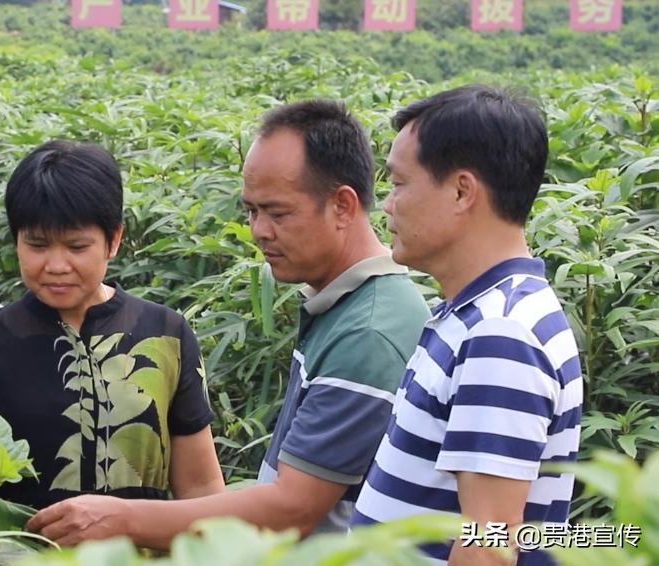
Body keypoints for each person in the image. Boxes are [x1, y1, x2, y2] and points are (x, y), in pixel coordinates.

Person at [26, 100, 431, 547]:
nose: (259, 230)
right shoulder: (344, 306)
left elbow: (291, 509)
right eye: (252, 211)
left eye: (277, 213)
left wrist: (121, 519)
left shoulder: (368, 331)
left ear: (341, 205)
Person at [0, 141, 225, 522]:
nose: (56, 265)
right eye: (37, 244)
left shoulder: (166, 335)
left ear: (113, 240)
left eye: (76, 246)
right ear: (16, 240)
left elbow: (200, 490)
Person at [350, 85, 583, 566]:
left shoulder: (500, 334)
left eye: (398, 184)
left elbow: (489, 549)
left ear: (461, 191)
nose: (388, 205)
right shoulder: (476, 312)